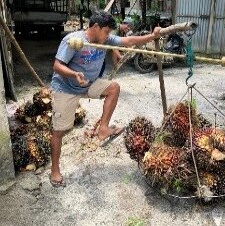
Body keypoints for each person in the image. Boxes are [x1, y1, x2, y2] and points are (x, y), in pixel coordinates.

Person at [50, 11, 161, 187]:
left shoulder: (106, 40)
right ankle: (55, 170)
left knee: (113, 88)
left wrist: (152, 36)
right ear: (95, 27)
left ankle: (103, 129)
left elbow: (128, 41)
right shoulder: (73, 40)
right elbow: (57, 66)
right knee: (58, 131)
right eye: (107, 31)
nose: (109, 35)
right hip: (66, 87)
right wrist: (74, 74)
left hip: (89, 84)